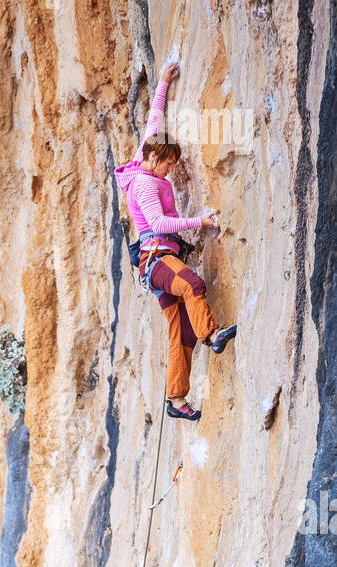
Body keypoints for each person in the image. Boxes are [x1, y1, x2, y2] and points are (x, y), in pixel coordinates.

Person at [114, 60, 237, 421]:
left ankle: (176, 400)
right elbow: (157, 222)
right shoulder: (145, 183)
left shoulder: (143, 158)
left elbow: (154, 121)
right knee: (192, 283)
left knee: (180, 330)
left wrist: (164, 84)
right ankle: (213, 335)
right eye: (169, 164)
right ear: (155, 159)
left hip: (156, 265)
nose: (172, 169)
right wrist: (200, 220)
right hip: (157, 259)